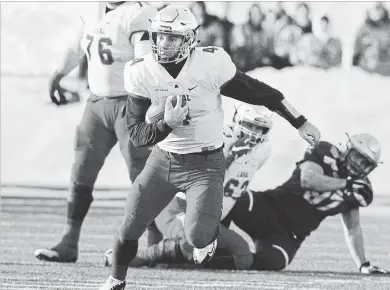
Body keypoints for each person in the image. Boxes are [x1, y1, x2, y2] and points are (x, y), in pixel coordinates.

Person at [99, 5, 321, 290]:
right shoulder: (142, 71)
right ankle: (116, 279)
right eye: (159, 36)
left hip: (204, 163)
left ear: (190, 39)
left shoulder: (210, 65)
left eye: (172, 38)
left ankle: (207, 238)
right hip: (163, 160)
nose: (162, 44)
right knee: (130, 223)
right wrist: (166, 124)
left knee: (198, 237)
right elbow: (137, 134)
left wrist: (300, 121)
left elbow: (261, 93)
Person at [34, 1, 158, 263]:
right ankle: (69, 241)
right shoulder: (92, 10)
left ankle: (155, 243)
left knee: (142, 175)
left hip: (130, 103)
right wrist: (57, 75)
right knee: (81, 172)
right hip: (97, 103)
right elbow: (77, 46)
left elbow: (145, 60)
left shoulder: (139, 11)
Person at [103, 104, 274, 270]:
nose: (253, 132)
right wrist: (230, 157)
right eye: (249, 125)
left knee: (222, 256)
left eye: (259, 128)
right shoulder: (217, 138)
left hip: (208, 215)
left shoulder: (262, 151)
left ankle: (181, 259)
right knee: (239, 252)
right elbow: (200, 179)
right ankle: (139, 258)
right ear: (237, 120)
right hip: (180, 209)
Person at [222, 133, 389, 274]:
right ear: (346, 148)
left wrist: (363, 265)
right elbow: (307, 179)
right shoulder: (325, 151)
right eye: (356, 157)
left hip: (289, 235)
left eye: (364, 163)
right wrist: (345, 183)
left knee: (273, 262)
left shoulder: (357, 189)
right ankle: (209, 243)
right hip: (267, 207)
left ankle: (216, 261)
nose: (358, 165)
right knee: (232, 201)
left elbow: (353, 228)